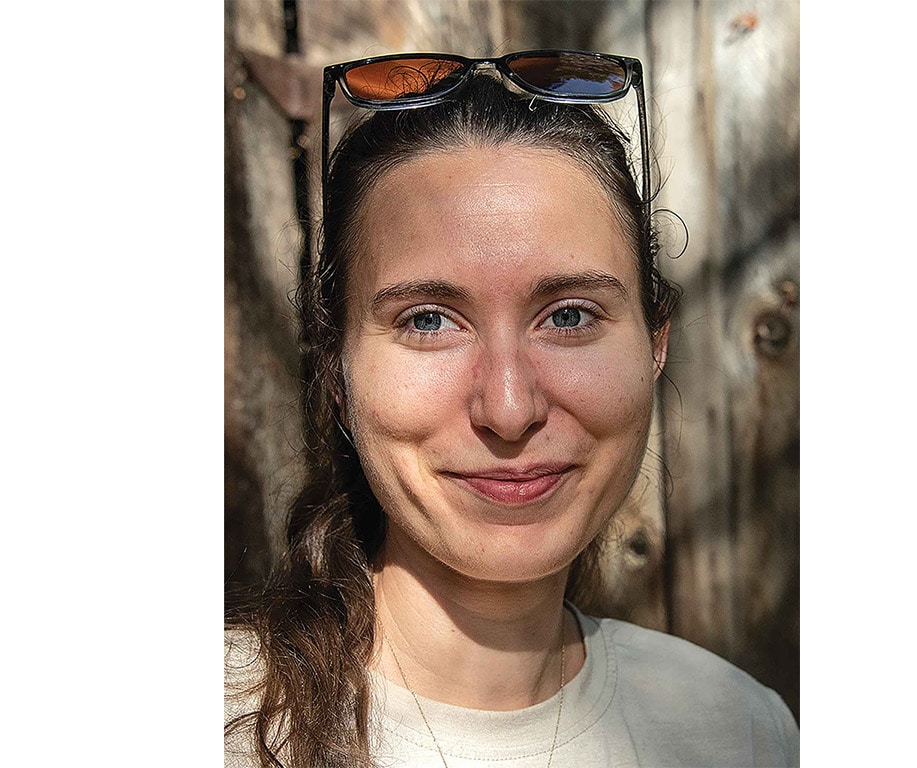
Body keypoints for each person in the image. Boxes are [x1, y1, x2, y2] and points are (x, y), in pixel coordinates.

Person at [226, 51, 799, 768]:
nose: (507, 406)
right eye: (428, 320)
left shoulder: (738, 729)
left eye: (567, 316)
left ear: (656, 345)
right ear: (336, 368)